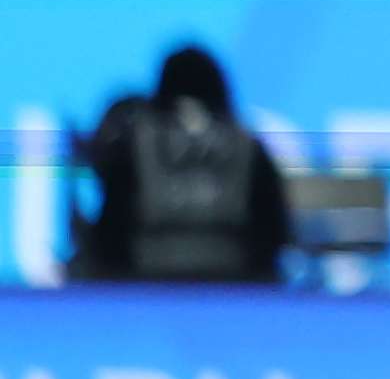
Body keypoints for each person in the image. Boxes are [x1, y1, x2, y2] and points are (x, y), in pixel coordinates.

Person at [71, 46, 287, 284]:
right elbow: (275, 232)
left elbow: (110, 231)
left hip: (146, 286)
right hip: (233, 289)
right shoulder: (248, 145)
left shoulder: (135, 144)